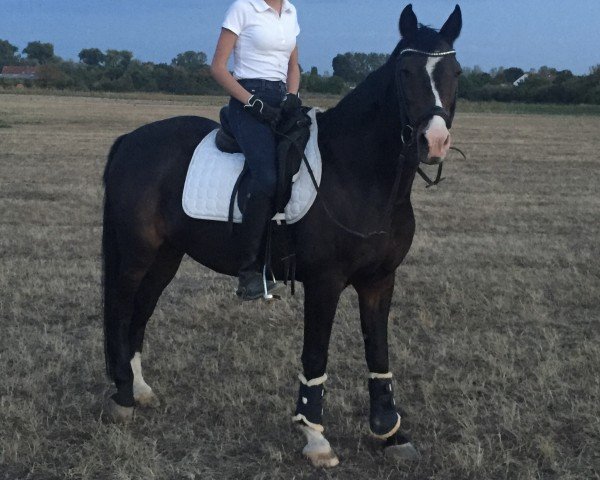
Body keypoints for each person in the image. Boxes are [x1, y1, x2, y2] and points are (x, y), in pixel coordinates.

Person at [210, 0, 302, 300]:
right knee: (266, 179)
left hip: (280, 99)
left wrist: (291, 95)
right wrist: (251, 101)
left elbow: (293, 65)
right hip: (246, 102)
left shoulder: (290, 12)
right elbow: (219, 68)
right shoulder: (242, 7)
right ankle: (249, 271)